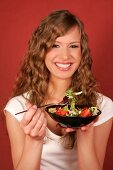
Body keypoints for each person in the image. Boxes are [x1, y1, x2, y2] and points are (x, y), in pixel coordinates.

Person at [4, 9, 113, 170]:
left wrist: (85, 134)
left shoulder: (103, 106)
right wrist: (34, 141)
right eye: (55, 45)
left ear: (82, 52)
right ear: (41, 51)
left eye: (73, 46)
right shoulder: (17, 108)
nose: (64, 56)